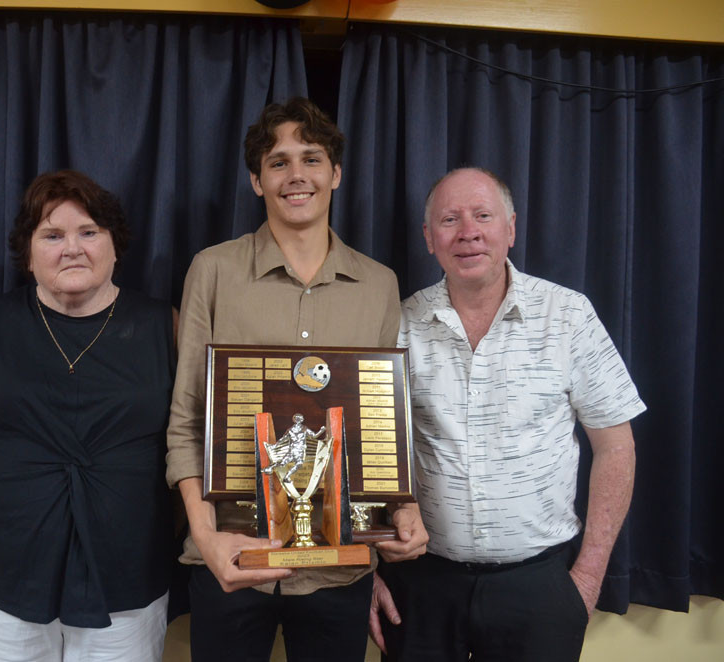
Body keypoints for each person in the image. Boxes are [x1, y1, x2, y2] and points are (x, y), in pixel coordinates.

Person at [166, 97, 428, 661]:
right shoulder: (212, 270)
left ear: (335, 173)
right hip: (231, 558)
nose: (295, 175)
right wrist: (207, 539)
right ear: (257, 181)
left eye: (311, 158)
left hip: (341, 570)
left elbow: (383, 425)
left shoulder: (379, 283)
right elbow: (187, 420)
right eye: (278, 162)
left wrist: (402, 509)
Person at [372, 167, 645, 661]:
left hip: (540, 586)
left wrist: (586, 579)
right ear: (429, 239)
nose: (468, 232)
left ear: (511, 228)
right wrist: (366, 569)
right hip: (422, 586)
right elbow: (363, 449)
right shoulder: (399, 322)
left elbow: (616, 446)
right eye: (449, 219)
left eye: (482, 216)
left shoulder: (569, 316)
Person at [0, 170, 176, 662]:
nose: (72, 248)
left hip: (128, 579)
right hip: (7, 577)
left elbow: (194, 447)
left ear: (115, 245)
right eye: (52, 235)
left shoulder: (163, 324)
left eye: (89, 232)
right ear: (29, 253)